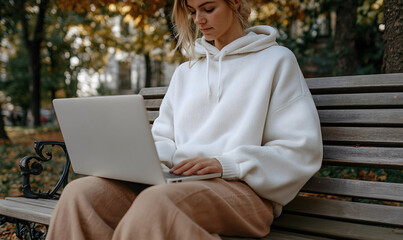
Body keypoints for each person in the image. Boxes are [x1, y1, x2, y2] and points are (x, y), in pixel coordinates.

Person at [46, 0, 323, 239]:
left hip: (243, 192)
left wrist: (225, 164)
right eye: (192, 11)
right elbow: (165, 139)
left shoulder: (276, 61)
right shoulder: (186, 72)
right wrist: (138, 160)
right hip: (175, 184)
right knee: (81, 195)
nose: (199, 20)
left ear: (236, 3)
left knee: (157, 204)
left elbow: (299, 149)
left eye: (208, 8)